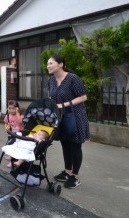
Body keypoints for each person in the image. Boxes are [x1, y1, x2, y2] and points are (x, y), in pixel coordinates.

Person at [47, 54, 89, 189]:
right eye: (47, 64)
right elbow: (51, 97)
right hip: (61, 117)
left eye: (51, 63)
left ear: (61, 64)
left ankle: (75, 176)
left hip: (75, 116)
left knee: (75, 146)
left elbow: (83, 97)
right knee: (65, 144)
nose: (48, 66)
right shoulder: (51, 80)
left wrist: (64, 104)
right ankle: (67, 172)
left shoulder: (72, 78)